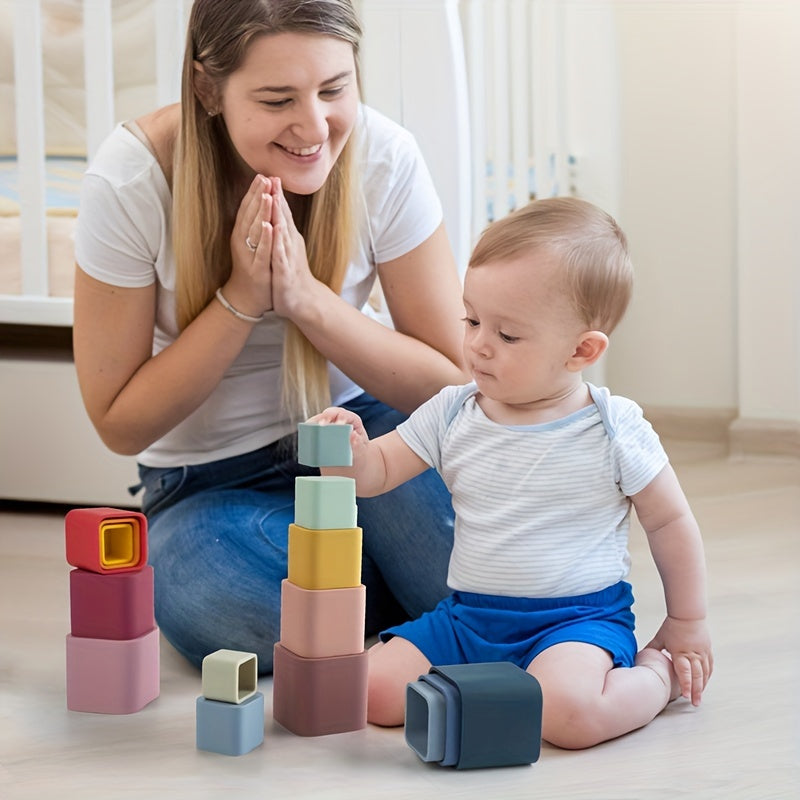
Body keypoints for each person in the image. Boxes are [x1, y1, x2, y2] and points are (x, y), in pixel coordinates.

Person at [72, 0, 467, 673]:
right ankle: (411, 600)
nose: (313, 127)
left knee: (479, 545)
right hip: (207, 483)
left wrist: (307, 300)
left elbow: (450, 382)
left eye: (334, 89)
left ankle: (359, 601)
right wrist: (241, 301)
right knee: (216, 601)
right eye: (278, 99)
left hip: (364, 435)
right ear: (208, 89)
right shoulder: (132, 180)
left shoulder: (385, 156)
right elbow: (119, 423)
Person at [312, 196, 713, 750]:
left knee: (568, 717)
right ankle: (497, 692)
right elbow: (377, 471)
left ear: (581, 350)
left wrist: (687, 621)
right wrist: (349, 452)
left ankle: (656, 678)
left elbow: (670, 522)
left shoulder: (614, 427)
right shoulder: (453, 411)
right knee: (371, 691)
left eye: (506, 335)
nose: (478, 345)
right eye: (472, 320)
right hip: (469, 619)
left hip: (575, 623)